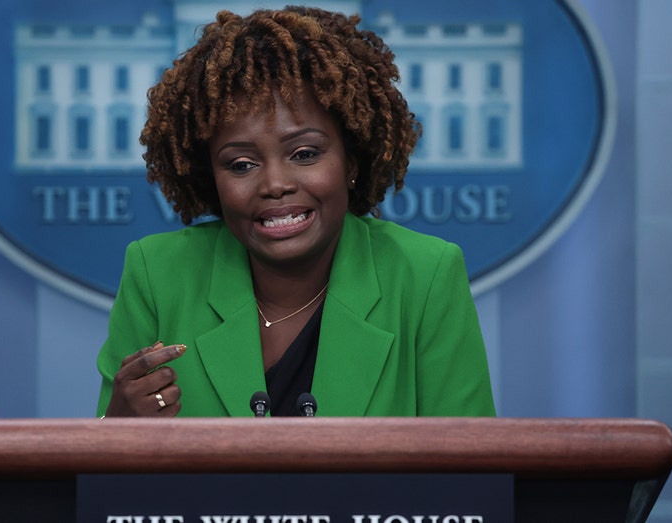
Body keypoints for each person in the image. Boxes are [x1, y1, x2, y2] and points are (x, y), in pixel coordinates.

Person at [96, 6, 495, 417]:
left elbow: (473, 469)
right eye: (241, 165)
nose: (274, 184)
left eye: (305, 154)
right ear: (210, 177)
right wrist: (117, 429)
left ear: (351, 162)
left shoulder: (425, 276)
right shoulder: (157, 274)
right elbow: (103, 477)